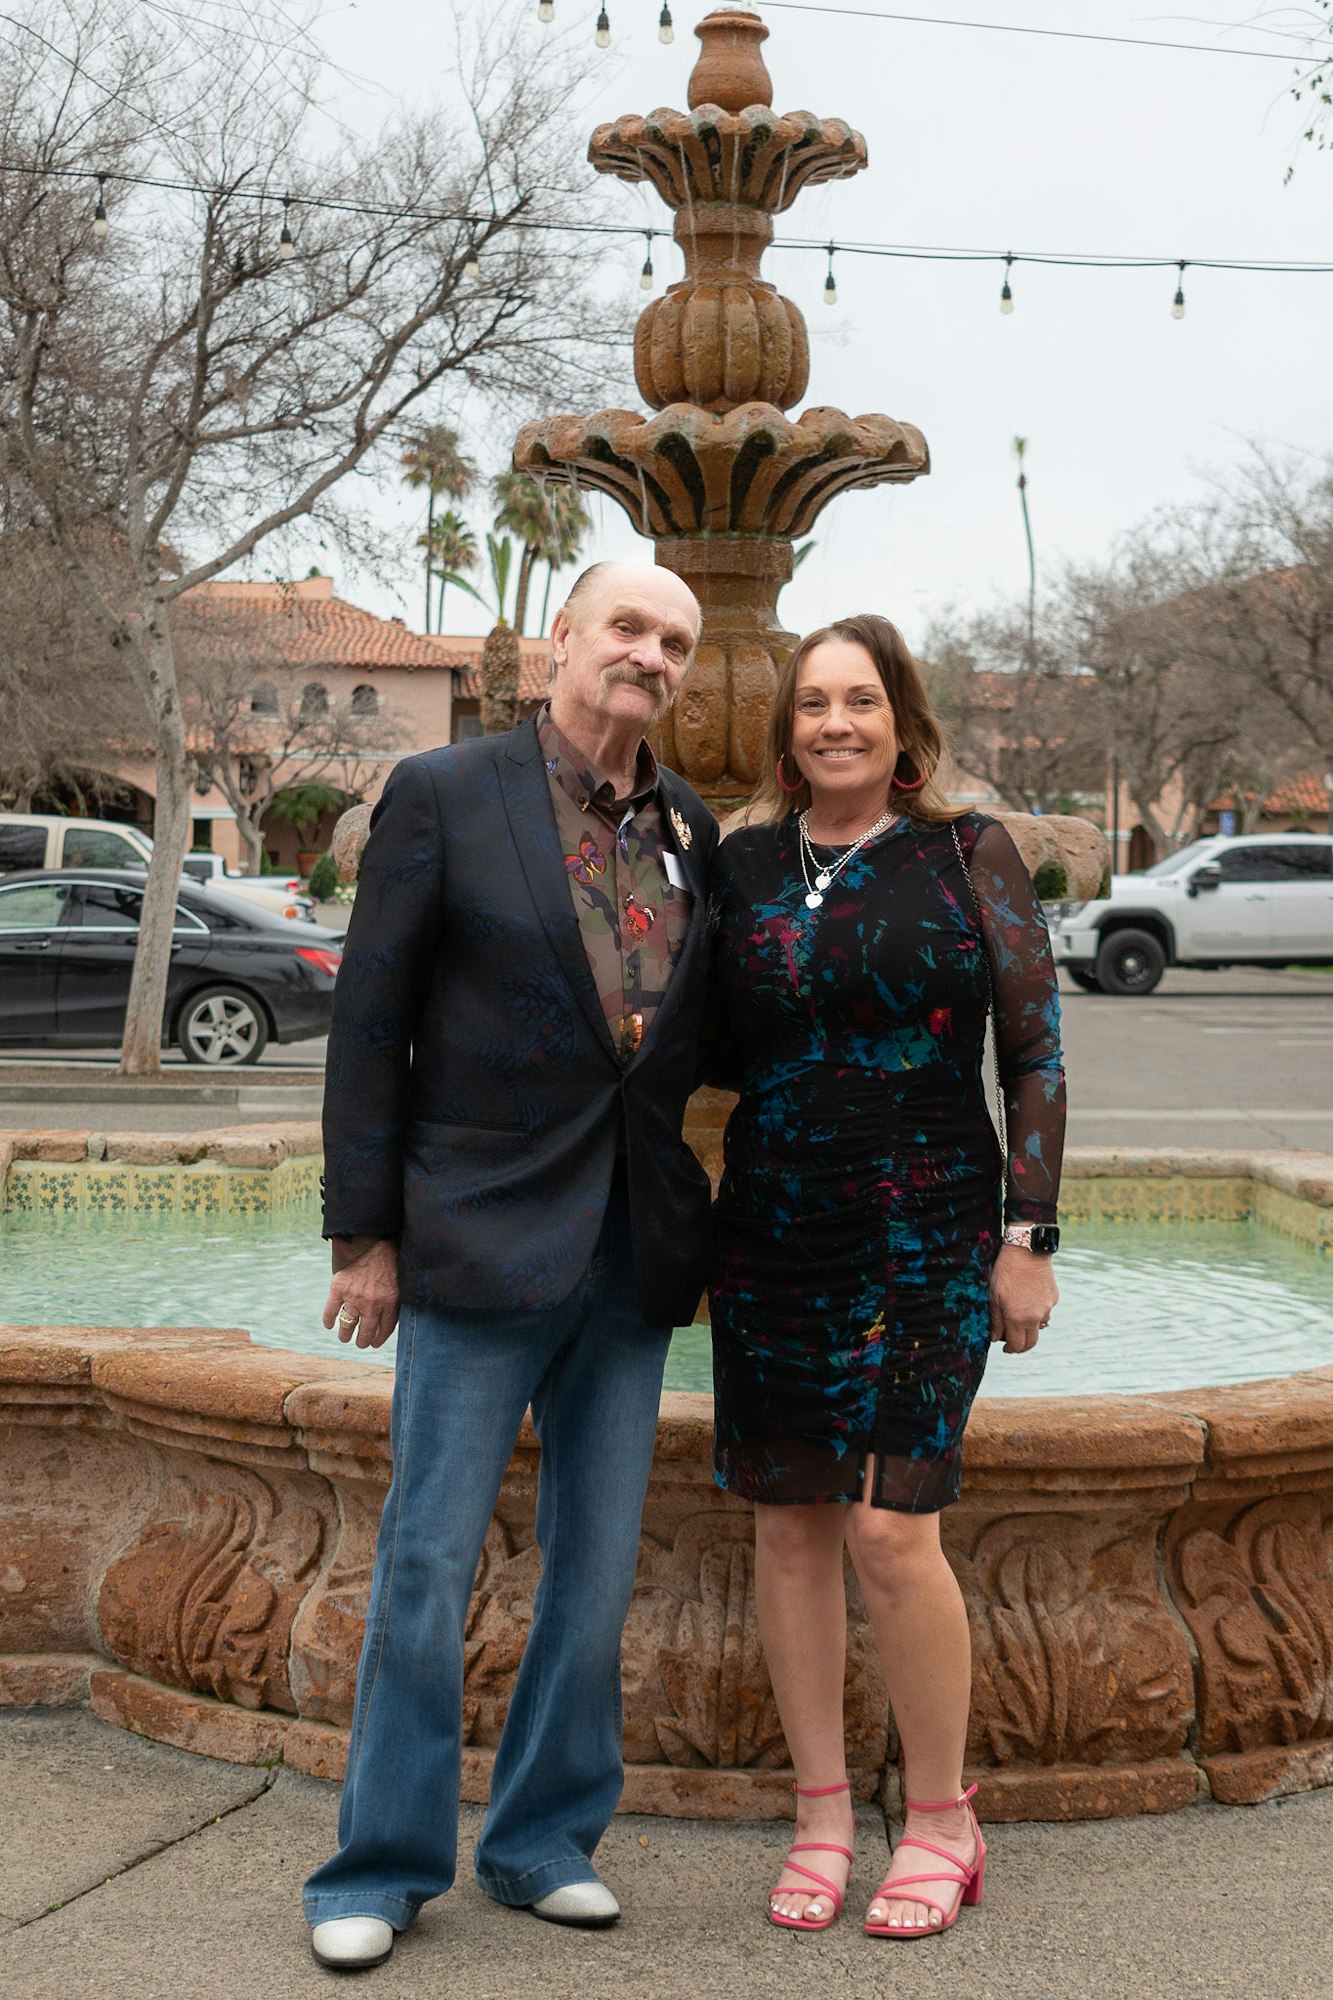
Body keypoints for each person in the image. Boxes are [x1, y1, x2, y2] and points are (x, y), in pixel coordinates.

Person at [303, 562, 717, 1972]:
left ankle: (542, 1840)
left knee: (594, 1576)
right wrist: (365, 1236)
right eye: (627, 628)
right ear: (563, 639)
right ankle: (379, 1862)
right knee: (425, 1562)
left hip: (630, 1249)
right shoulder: (444, 792)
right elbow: (370, 1022)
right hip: (474, 1235)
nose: (648, 655)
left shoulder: (688, 828)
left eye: (673, 641)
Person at [707, 613, 1064, 1942]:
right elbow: (673, 1032)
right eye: (811, 704)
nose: (835, 723)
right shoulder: (740, 864)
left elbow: (1034, 1056)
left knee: (885, 1530)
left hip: (925, 1231)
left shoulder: (968, 852)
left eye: (859, 699)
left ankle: (936, 1818)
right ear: (786, 730)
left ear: (901, 722)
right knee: (789, 1522)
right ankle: (816, 1812)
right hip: (772, 1232)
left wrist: (1027, 1242)